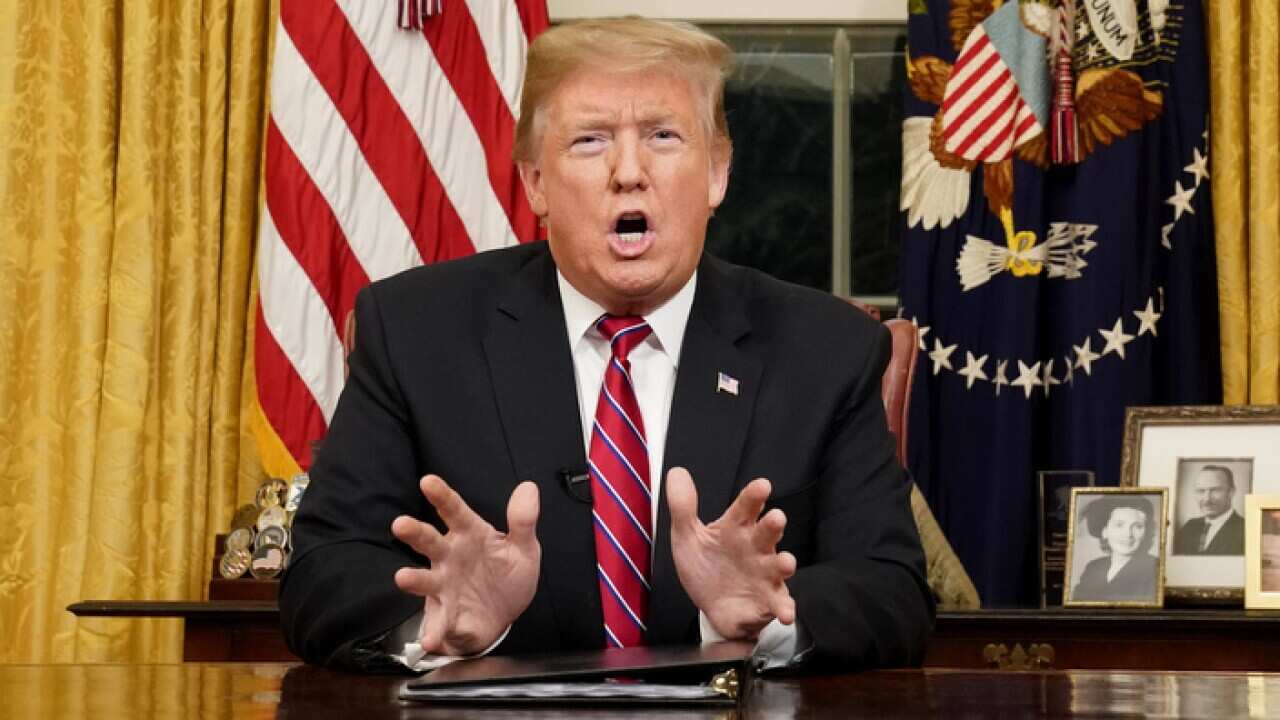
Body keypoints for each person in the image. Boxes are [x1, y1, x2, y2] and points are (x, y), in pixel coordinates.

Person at [279, 17, 933, 673]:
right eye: (591, 141)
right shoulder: (415, 331)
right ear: (535, 180)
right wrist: (436, 625)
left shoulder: (826, 351)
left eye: (663, 136)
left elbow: (892, 591)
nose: (628, 172)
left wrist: (767, 615)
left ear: (717, 173)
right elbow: (320, 572)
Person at [1071, 495, 1159, 603]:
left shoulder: (1155, 568)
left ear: (1146, 533)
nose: (1128, 534)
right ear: (1105, 531)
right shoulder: (1093, 567)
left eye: (1138, 526)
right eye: (1119, 525)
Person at [1172, 465, 1244, 555]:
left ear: (1231, 492)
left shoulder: (1245, 530)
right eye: (1201, 491)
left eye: (1215, 490)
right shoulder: (1189, 527)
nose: (1207, 499)